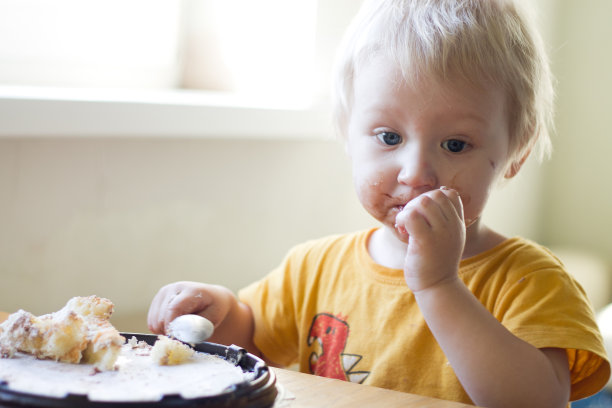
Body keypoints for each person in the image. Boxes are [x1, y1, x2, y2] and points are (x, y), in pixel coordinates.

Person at [147, 0, 610, 406]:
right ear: (348, 134)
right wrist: (213, 311)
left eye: (454, 145)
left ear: (514, 156)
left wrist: (439, 285)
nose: (415, 173)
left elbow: (536, 401)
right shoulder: (313, 267)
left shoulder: (533, 281)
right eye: (390, 137)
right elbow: (248, 341)